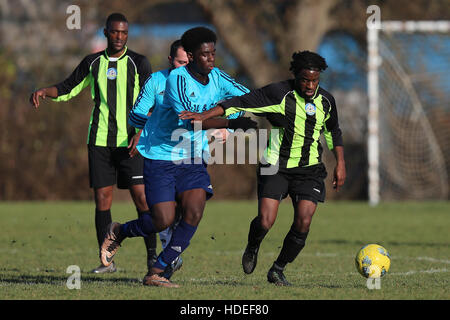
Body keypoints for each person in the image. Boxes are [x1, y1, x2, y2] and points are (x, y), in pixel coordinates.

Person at [99, 26, 257, 288]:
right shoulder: (174, 80)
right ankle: (120, 231)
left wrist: (270, 109)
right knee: (163, 219)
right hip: (161, 156)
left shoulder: (217, 77)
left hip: (192, 156)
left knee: (194, 211)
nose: (211, 59)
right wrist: (231, 123)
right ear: (189, 58)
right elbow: (190, 122)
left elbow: (247, 97)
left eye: (213, 53)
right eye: (204, 54)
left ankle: (158, 270)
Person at [180, 50, 346, 286]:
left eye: (314, 81)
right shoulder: (277, 94)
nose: (310, 85)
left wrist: (341, 162)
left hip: (309, 169)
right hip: (275, 165)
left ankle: (278, 269)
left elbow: (333, 131)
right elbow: (237, 102)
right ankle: (253, 245)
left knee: (304, 221)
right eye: (305, 80)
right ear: (295, 76)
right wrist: (203, 115)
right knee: (266, 221)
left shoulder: (326, 100)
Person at [29, 13, 157, 274]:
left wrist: (141, 132)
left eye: (124, 32)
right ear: (105, 32)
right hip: (99, 140)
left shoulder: (139, 62)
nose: (119, 37)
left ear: (127, 34)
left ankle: (153, 258)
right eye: (114, 32)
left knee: (142, 199)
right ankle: (106, 260)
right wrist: (45, 91)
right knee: (102, 198)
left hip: (131, 140)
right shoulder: (92, 63)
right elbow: (67, 87)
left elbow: (151, 100)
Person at [128, 39, 189, 279]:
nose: (183, 67)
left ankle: (169, 251)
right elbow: (138, 113)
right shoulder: (156, 81)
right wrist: (147, 125)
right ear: (170, 60)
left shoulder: (203, 80)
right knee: (163, 213)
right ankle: (167, 256)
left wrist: (226, 127)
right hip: (159, 154)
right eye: (179, 62)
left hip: (189, 152)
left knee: (188, 207)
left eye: (187, 62)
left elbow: (225, 105)